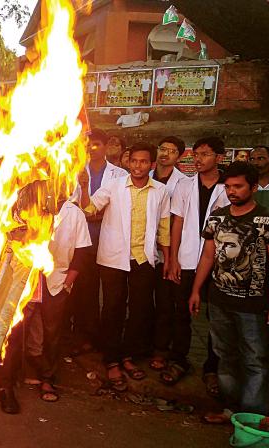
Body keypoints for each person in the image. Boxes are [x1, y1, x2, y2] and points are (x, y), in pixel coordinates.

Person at [78, 142, 171, 392]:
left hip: (143, 259)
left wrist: (168, 261)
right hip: (113, 259)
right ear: (128, 163)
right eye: (134, 161)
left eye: (144, 162)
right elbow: (89, 209)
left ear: (151, 165)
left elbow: (164, 228)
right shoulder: (114, 186)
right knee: (112, 309)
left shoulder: (160, 191)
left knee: (139, 311)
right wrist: (85, 187)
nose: (138, 166)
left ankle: (127, 356)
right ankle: (111, 360)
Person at [189, 162, 269, 424]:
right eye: (228, 187)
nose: (232, 192)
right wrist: (196, 291)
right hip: (219, 301)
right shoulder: (217, 217)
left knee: (255, 360)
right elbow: (207, 256)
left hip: (254, 305)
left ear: (252, 187)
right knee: (225, 357)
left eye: (238, 186)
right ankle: (230, 409)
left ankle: (252, 417)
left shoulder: (267, 221)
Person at [0, 188, 92, 414]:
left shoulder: (73, 213)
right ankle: (6, 384)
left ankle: (47, 377)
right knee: (14, 331)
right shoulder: (25, 209)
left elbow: (82, 251)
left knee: (52, 332)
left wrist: (68, 282)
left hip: (56, 280)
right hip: (24, 277)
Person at [161, 137, 229, 387]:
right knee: (181, 313)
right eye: (195, 155)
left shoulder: (228, 187)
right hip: (187, 258)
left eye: (205, 154)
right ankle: (179, 359)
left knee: (216, 316)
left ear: (219, 158)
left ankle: (212, 366)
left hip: (220, 263)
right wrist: (174, 258)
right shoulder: (185, 186)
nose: (198, 160)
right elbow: (176, 222)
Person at [69, 129, 127, 355]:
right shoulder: (74, 172)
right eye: (86, 145)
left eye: (95, 145)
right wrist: (90, 209)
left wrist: (94, 213)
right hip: (83, 241)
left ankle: (109, 339)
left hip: (110, 239)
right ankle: (85, 336)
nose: (90, 149)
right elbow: (73, 207)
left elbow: (119, 207)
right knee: (85, 291)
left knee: (113, 294)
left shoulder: (120, 175)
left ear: (105, 146)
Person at [149, 136, 188, 374]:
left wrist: (172, 257)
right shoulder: (144, 175)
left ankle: (164, 351)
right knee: (143, 302)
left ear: (179, 156)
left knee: (167, 304)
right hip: (142, 249)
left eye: (171, 151)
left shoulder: (183, 183)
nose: (165, 154)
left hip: (169, 253)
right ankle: (144, 344)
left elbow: (177, 221)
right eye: (162, 149)